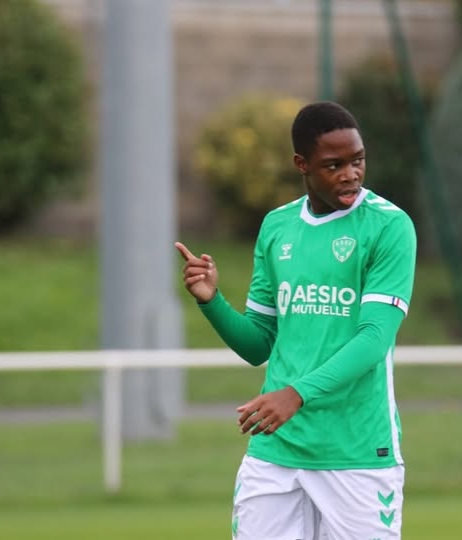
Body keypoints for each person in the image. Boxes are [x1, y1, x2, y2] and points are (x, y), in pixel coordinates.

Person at [175, 101, 417, 539]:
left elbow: (374, 338)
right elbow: (258, 344)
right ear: (301, 164)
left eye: (357, 160)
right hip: (276, 450)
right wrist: (212, 301)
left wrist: (296, 395)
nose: (351, 174)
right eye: (334, 165)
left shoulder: (389, 227)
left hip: (357, 451)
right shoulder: (277, 228)